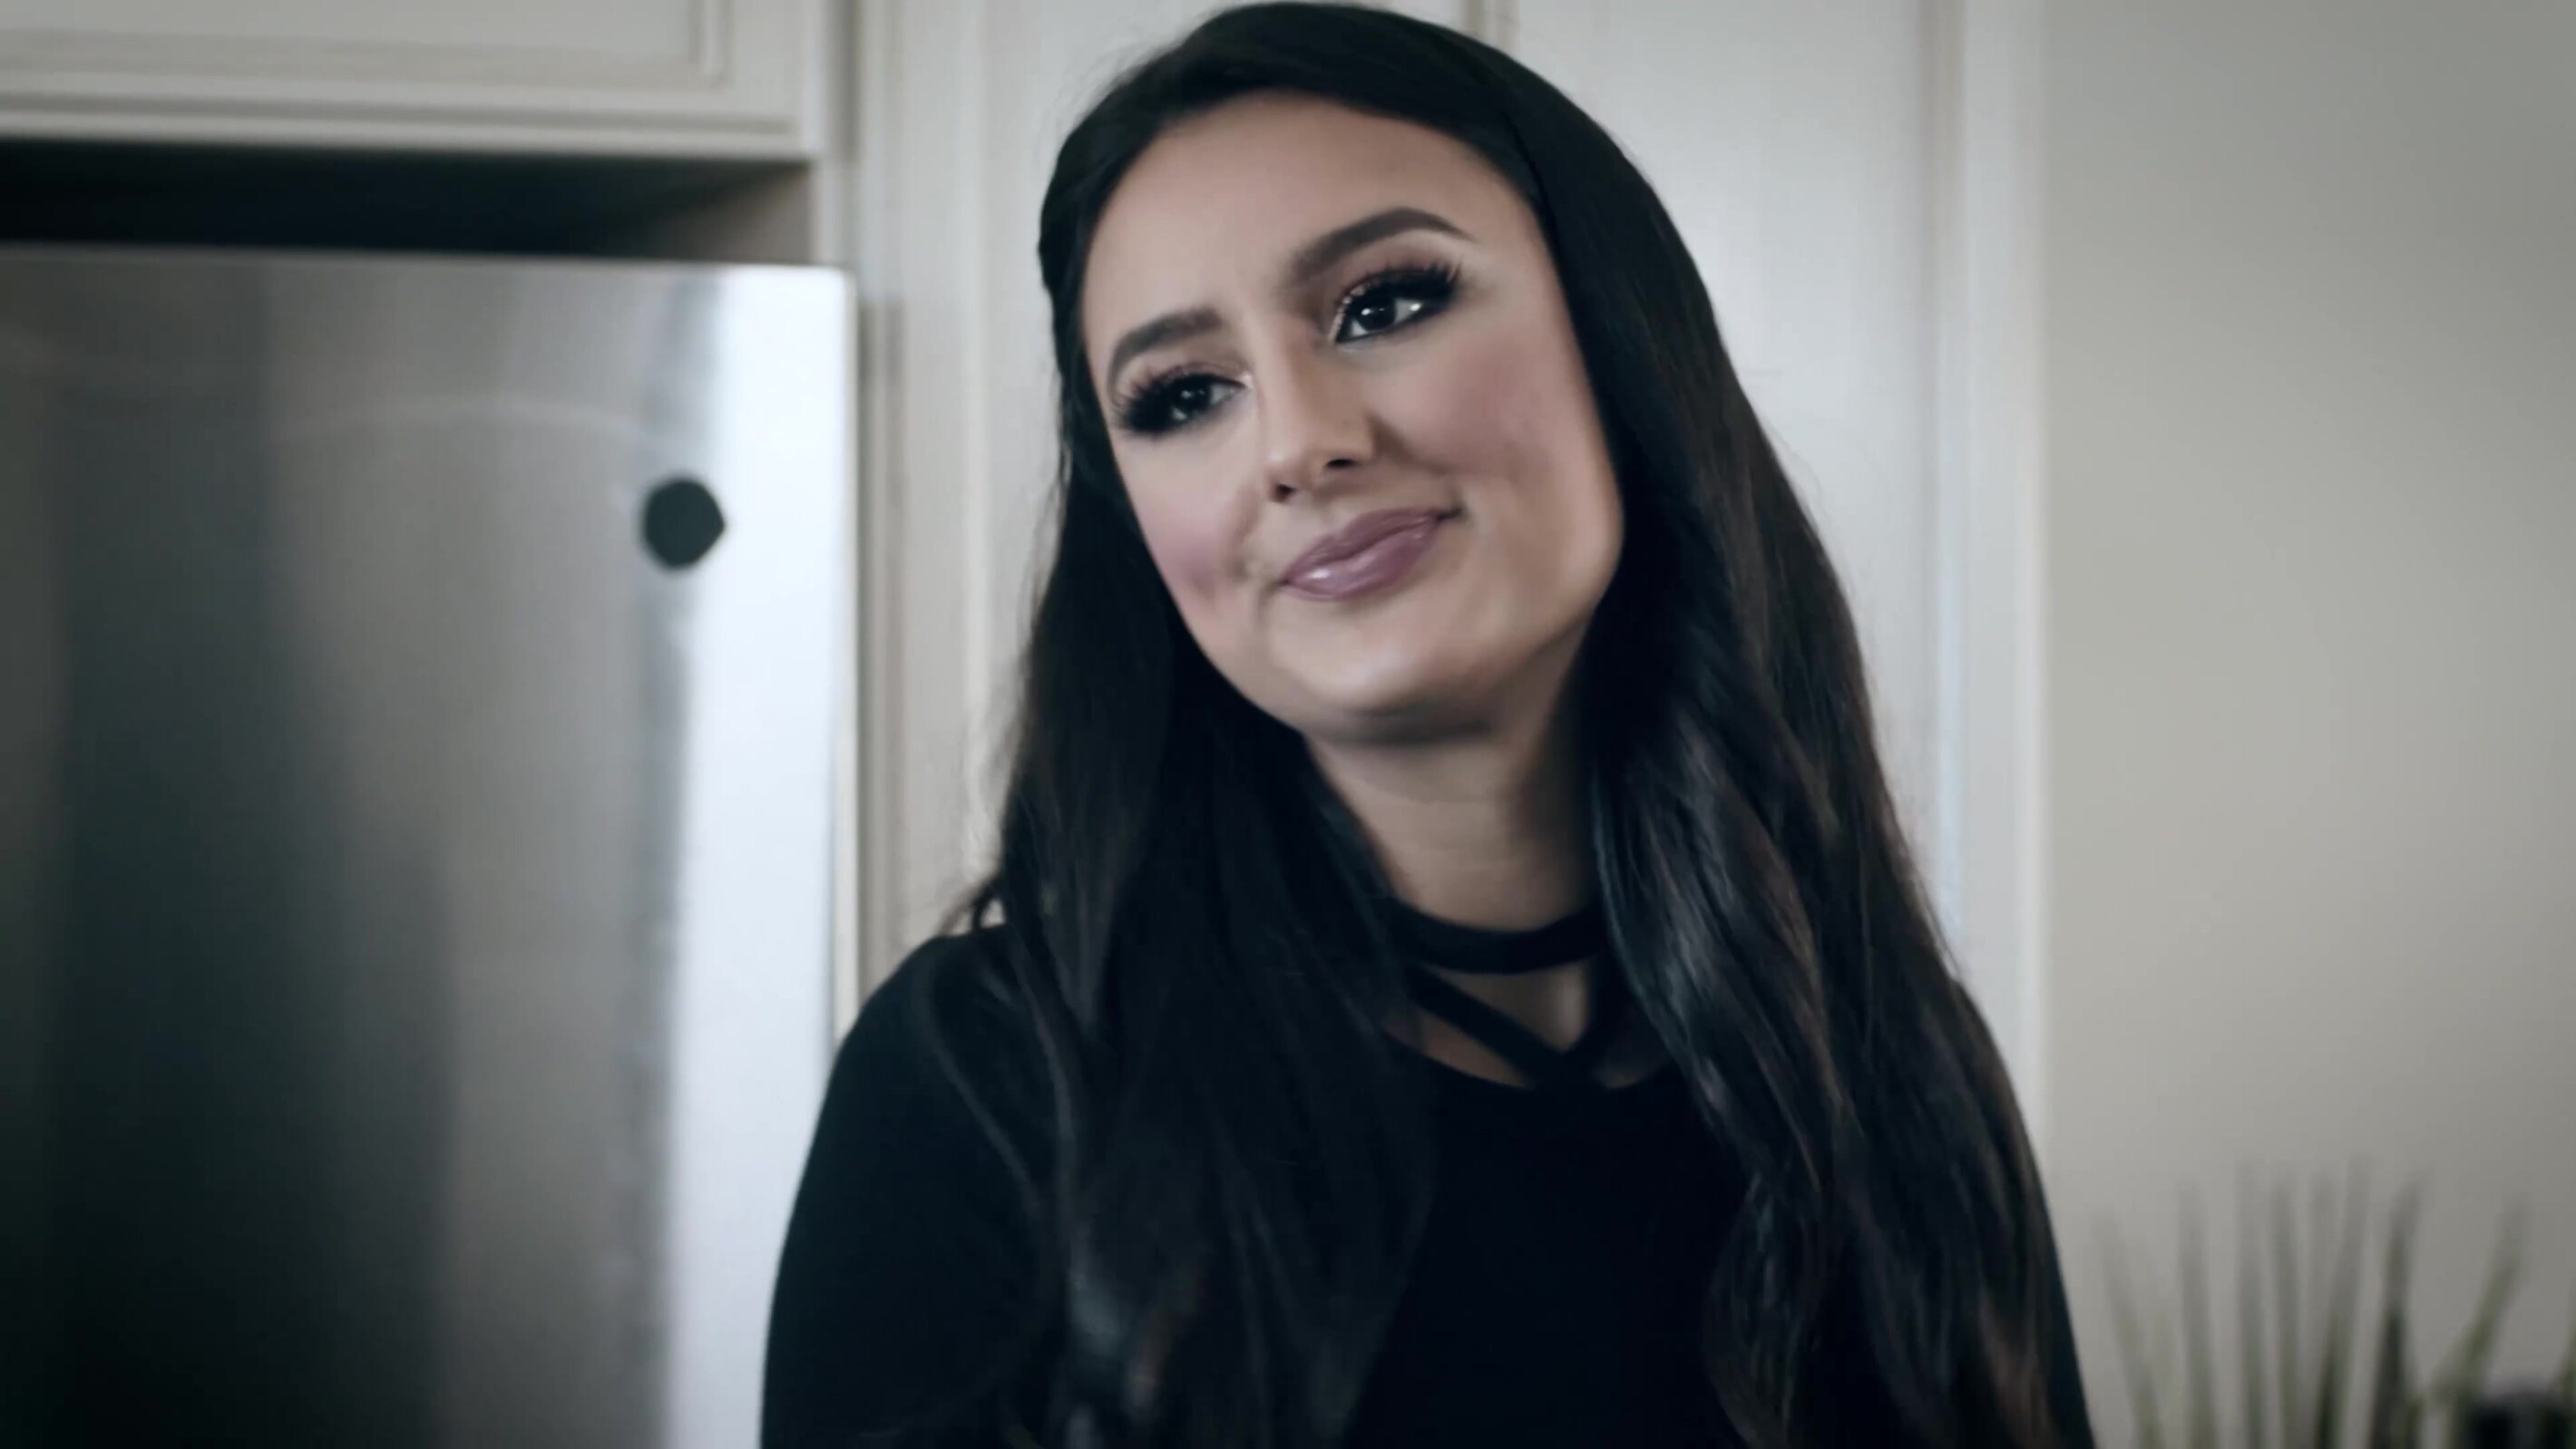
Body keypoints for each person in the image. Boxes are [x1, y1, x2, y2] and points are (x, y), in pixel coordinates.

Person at [764, 5, 2093, 1445]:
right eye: (1185, 394)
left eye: (1384, 305)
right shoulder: (986, 1082)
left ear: (1617, 332)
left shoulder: (1884, 1055)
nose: (1299, 441)